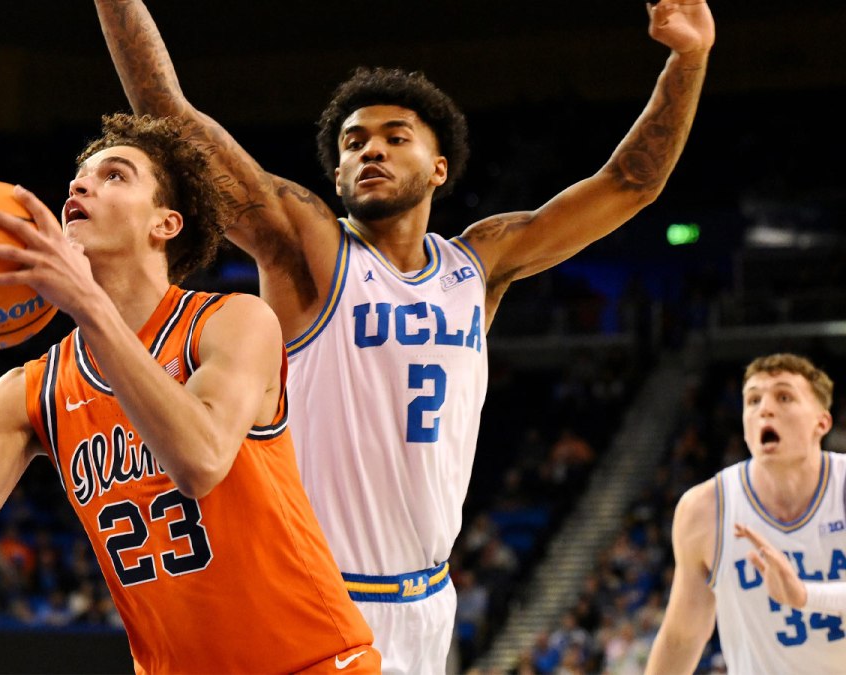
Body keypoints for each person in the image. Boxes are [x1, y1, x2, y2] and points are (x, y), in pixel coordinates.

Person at [94, 1, 715, 671]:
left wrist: (689, 59)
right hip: (311, 593)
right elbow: (170, 111)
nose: (371, 150)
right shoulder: (308, 249)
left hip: (428, 599)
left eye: (395, 136)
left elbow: (630, 182)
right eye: (354, 142)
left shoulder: (479, 264)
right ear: (336, 176)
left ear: (438, 168)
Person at [0, 113, 376, 673]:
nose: (79, 185)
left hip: (313, 664)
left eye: (115, 176)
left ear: (165, 224)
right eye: (79, 176)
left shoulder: (231, 322)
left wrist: (88, 306)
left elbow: (199, 462)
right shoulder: (32, 390)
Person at [646, 353, 846, 673]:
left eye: (784, 397)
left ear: (821, 422)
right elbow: (683, 637)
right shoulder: (705, 509)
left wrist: (806, 595)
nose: (764, 409)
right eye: (753, 400)